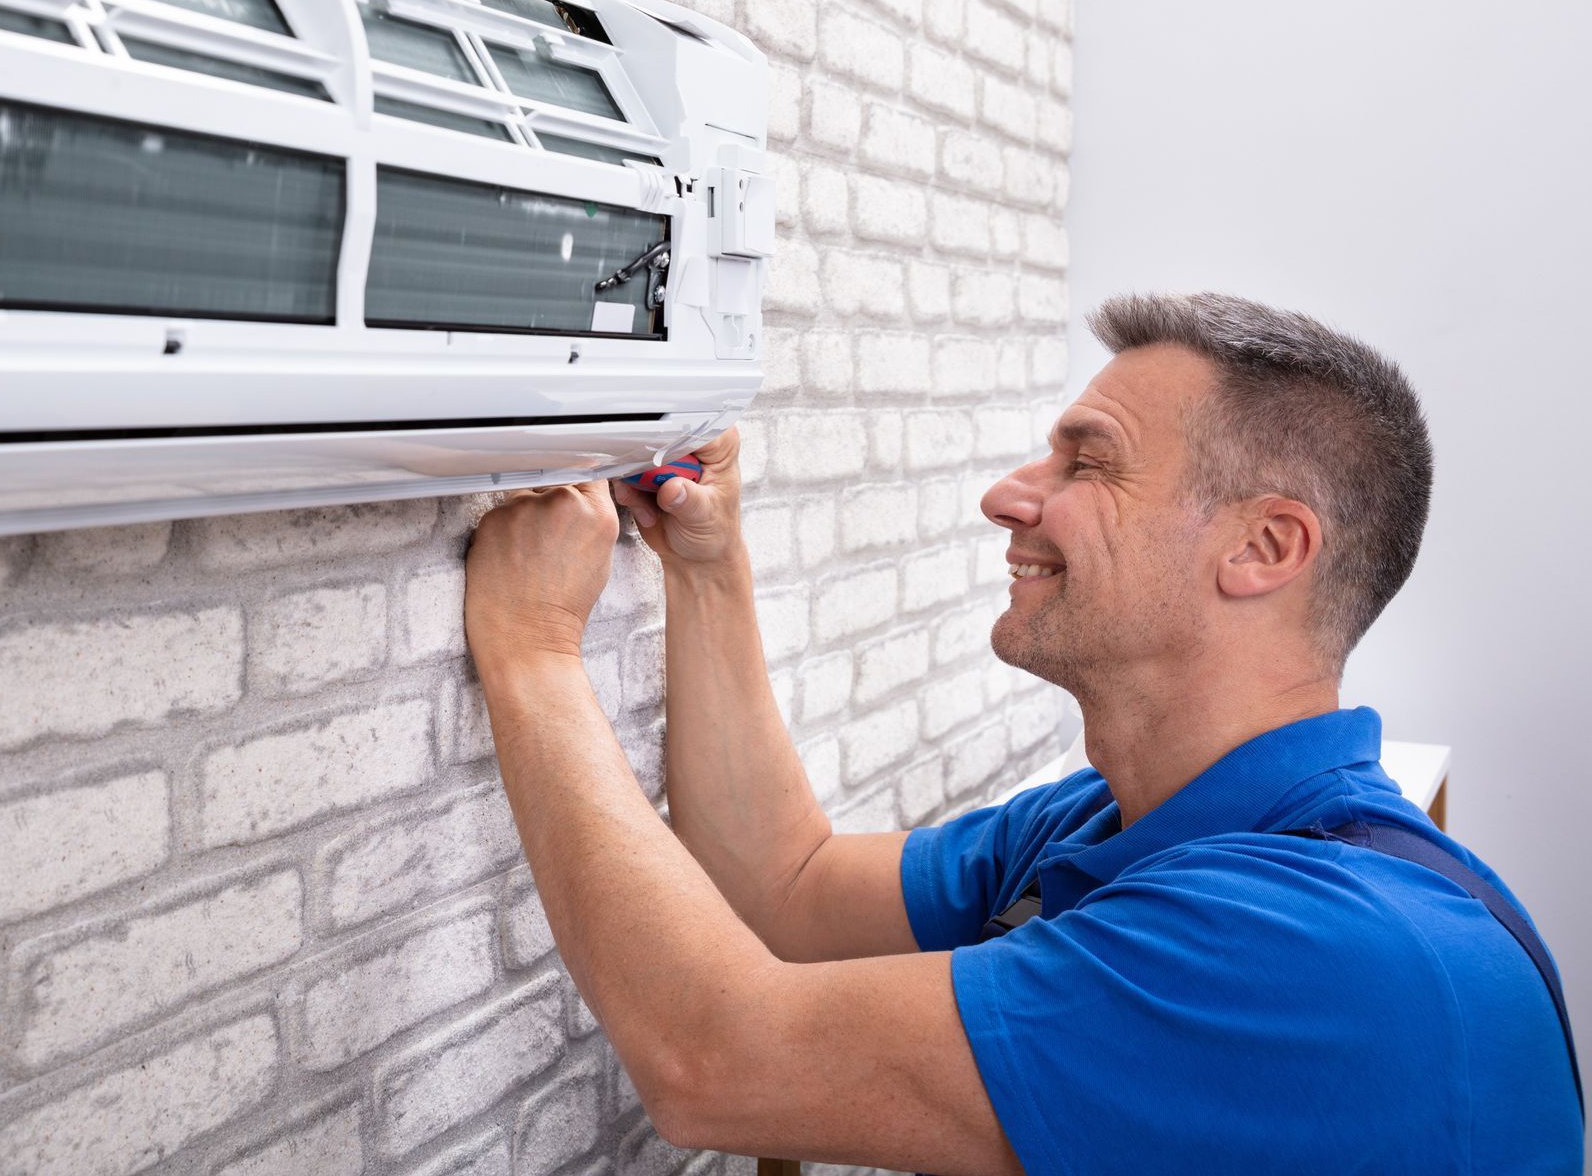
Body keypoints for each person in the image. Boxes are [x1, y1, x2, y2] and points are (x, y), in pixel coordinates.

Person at [463, 292, 1582, 1173]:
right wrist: (707, 571)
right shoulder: (1117, 819)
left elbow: (716, 1063)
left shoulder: (1317, 952)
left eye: (1086, 463)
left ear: (1264, 549)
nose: (1010, 495)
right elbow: (784, 894)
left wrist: (533, 655)